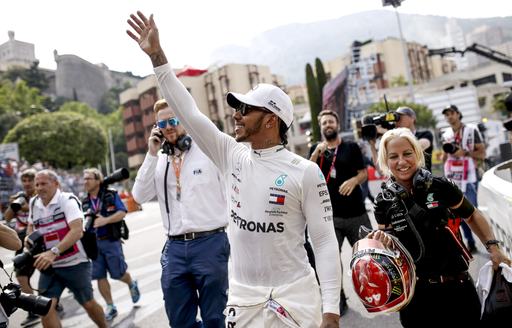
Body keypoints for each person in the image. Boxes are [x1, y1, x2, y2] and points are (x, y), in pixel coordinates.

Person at [127, 11, 341, 328]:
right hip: (243, 299)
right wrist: (157, 56)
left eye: (245, 109)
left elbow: (323, 242)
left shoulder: (304, 172)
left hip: (296, 297)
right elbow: (188, 112)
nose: (236, 115)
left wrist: (331, 312)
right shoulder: (230, 153)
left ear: (271, 120)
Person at [367, 128, 510, 327]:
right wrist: (381, 244)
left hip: (458, 287)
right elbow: (388, 251)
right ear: (385, 160)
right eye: (393, 156)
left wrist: (494, 248)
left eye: (407, 153)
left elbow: (472, 215)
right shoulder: (383, 201)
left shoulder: (440, 186)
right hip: (416, 297)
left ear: (417, 154)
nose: (401, 161)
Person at [132, 99, 229, 327]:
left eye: (174, 120)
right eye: (162, 123)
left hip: (210, 243)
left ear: (184, 120)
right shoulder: (159, 159)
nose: (169, 126)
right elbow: (138, 196)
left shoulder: (209, 150)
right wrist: (151, 154)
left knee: (214, 318)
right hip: (174, 248)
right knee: (179, 321)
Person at [309, 109, 371, 316]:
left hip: (357, 214)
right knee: (331, 262)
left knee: (367, 255)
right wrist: (316, 153)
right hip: (329, 217)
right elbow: (306, 175)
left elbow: (363, 173)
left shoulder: (351, 147)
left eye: (331, 121)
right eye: (324, 122)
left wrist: (354, 181)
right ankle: (339, 299)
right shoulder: (315, 150)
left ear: (337, 125)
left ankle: (371, 292)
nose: (328, 124)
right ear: (321, 127)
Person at [26, 170, 107, 328]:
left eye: (43, 183)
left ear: (56, 184)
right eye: (37, 184)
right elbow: (31, 227)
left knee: (88, 303)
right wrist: (28, 240)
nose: (39, 188)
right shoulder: (33, 202)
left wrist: (53, 252)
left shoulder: (67, 200)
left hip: (75, 263)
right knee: (45, 308)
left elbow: (77, 230)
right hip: (49, 266)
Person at [83, 168, 140, 321]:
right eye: (84, 178)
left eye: (89, 178)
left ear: (98, 180)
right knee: (99, 276)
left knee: (118, 273)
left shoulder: (110, 194)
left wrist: (105, 220)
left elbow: (122, 212)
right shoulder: (84, 201)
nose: (85, 181)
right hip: (94, 244)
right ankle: (110, 306)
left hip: (111, 241)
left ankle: (131, 283)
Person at [441, 104, 486, 253]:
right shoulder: (446, 134)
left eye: (452, 113)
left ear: (458, 114)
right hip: (453, 177)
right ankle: (470, 241)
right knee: (457, 212)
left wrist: (465, 153)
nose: (449, 116)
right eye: (446, 114)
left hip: (469, 176)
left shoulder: (471, 130)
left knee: (471, 210)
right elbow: (444, 157)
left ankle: (487, 241)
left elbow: (482, 154)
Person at [3, 168, 40, 326]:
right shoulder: (18, 197)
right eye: (24, 181)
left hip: (39, 238)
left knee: (51, 274)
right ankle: (33, 309)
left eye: (29, 181)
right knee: (21, 275)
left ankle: (52, 300)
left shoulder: (41, 196)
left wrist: (26, 207)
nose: (26, 184)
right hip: (22, 239)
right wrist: (14, 206)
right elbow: (7, 217)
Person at [395, 106, 434, 172]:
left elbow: (417, 148)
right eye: (396, 117)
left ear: (412, 118)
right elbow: (382, 170)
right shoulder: (392, 140)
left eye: (400, 116)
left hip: (423, 180)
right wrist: (373, 144)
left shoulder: (425, 134)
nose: (397, 120)